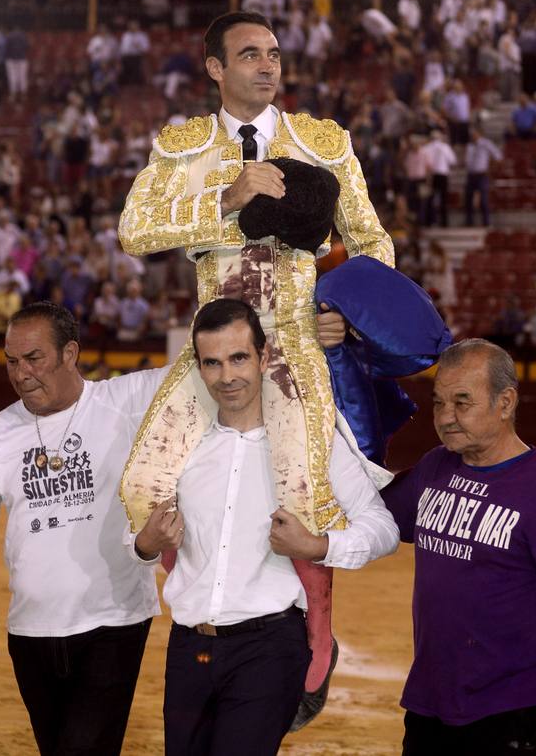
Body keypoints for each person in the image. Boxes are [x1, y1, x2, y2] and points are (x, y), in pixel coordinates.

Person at [118, 9, 395, 723]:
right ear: (215, 68)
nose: (267, 65)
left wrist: (349, 311)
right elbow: (134, 230)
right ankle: (200, 619)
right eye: (249, 55)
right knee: (146, 484)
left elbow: (371, 240)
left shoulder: (321, 142)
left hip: (297, 344)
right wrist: (226, 199)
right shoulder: (186, 148)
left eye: (273, 54)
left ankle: (317, 635)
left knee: (302, 496)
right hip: (212, 351)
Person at [131, 298, 400, 756]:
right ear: (199, 367)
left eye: (239, 358)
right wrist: (145, 545)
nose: (227, 376)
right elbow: (137, 533)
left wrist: (318, 546)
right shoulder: (178, 446)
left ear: (263, 356)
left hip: (270, 648)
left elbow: (383, 528)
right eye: (213, 363)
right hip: (188, 648)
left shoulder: (312, 441)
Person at [0, 302, 165, 756]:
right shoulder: (2, 429)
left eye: (34, 358)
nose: (20, 373)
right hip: (30, 631)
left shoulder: (125, 400)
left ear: (69, 353)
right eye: (12, 361)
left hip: (112, 623)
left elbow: (207, 360)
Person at [382, 339, 536, 756]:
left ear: (506, 402)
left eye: (463, 403)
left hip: (516, 706)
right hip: (433, 697)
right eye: (439, 403)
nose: (446, 418)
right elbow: (377, 520)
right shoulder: (435, 466)